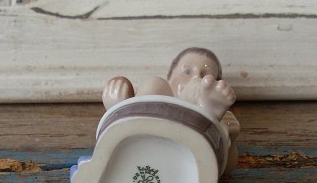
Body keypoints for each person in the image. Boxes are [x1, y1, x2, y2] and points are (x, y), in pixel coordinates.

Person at [102, 47, 240, 173]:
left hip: (188, 165)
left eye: (206, 77)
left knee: (220, 127)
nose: (196, 78)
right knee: (155, 84)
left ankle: (206, 116)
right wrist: (115, 105)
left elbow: (228, 169)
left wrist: (231, 139)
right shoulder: (159, 90)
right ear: (170, 76)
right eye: (187, 72)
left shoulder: (223, 117)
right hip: (140, 146)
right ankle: (123, 115)